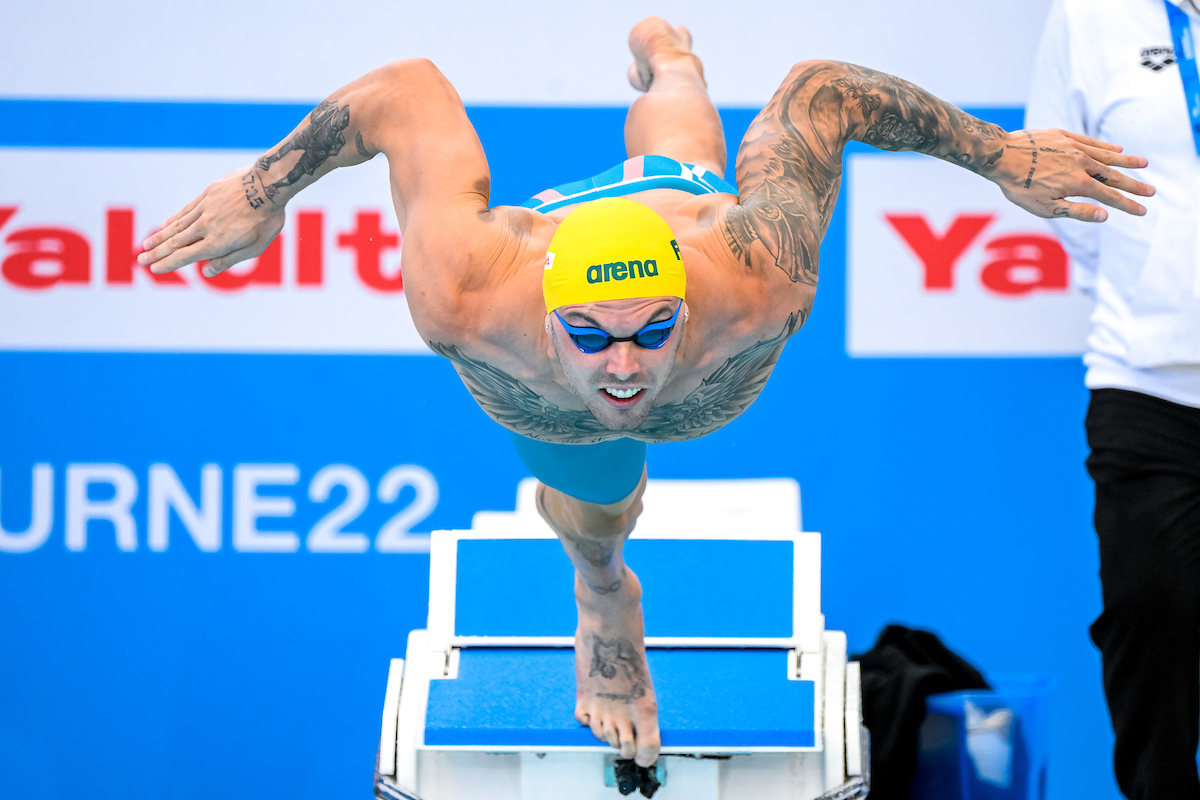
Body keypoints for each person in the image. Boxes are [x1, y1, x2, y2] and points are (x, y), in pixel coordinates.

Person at [140, 17, 1153, 769]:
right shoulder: (468, 291)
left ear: (682, 302)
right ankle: (602, 594)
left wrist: (1000, 152)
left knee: (688, 168)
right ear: (547, 314)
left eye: (648, 332)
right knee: (601, 494)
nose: (624, 367)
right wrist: (266, 185)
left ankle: (674, 65)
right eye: (593, 338)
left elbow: (823, 93)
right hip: (553, 387)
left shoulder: (756, 279)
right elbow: (406, 91)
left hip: (686, 222)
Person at [1027, 1, 1200, 797]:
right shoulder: (1092, 15)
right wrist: (1155, 291)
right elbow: (1058, 187)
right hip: (1147, 380)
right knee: (1146, 617)